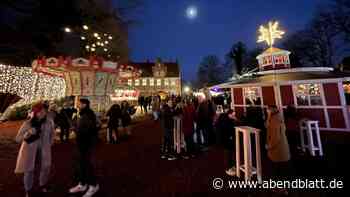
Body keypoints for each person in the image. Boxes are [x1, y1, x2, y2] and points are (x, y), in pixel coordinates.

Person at [15, 103, 55, 197]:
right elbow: (18, 138)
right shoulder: (28, 123)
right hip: (30, 152)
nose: (42, 113)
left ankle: (42, 185)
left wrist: (49, 144)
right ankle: (28, 189)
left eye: (44, 111)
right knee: (29, 170)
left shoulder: (49, 122)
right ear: (35, 112)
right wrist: (28, 133)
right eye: (39, 111)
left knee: (45, 168)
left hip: (44, 151)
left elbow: (52, 135)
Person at [69, 99, 99, 197]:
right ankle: (82, 183)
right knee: (81, 165)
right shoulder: (83, 114)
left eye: (79, 103)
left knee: (87, 165)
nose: (77, 104)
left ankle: (93, 185)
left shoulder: (88, 115)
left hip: (86, 144)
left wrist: (75, 129)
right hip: (82, 144)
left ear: (84, 104)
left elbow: (86, 130)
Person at [266, 105, 291, 194]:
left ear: (271, 110)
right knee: (279, 169)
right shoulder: (276, 117)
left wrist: (269, 146)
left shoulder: (275, 120)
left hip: (277, 148)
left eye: (267, 109)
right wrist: (269, 116)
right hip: (280, 148)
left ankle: (281, 188)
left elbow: (276, 136)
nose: (266, 111)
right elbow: (267, 126)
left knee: (278, 170)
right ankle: (281, 187)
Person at [217, 109, 238, 176]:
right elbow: (226, 130)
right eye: (232, 115)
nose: (233, 116)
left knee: (230, 153)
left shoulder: (228, 119)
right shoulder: (225, 120)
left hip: (228, 140)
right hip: (225, 140)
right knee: (228, 153)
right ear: (229, 114)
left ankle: (231, 166)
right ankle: (228, 168)